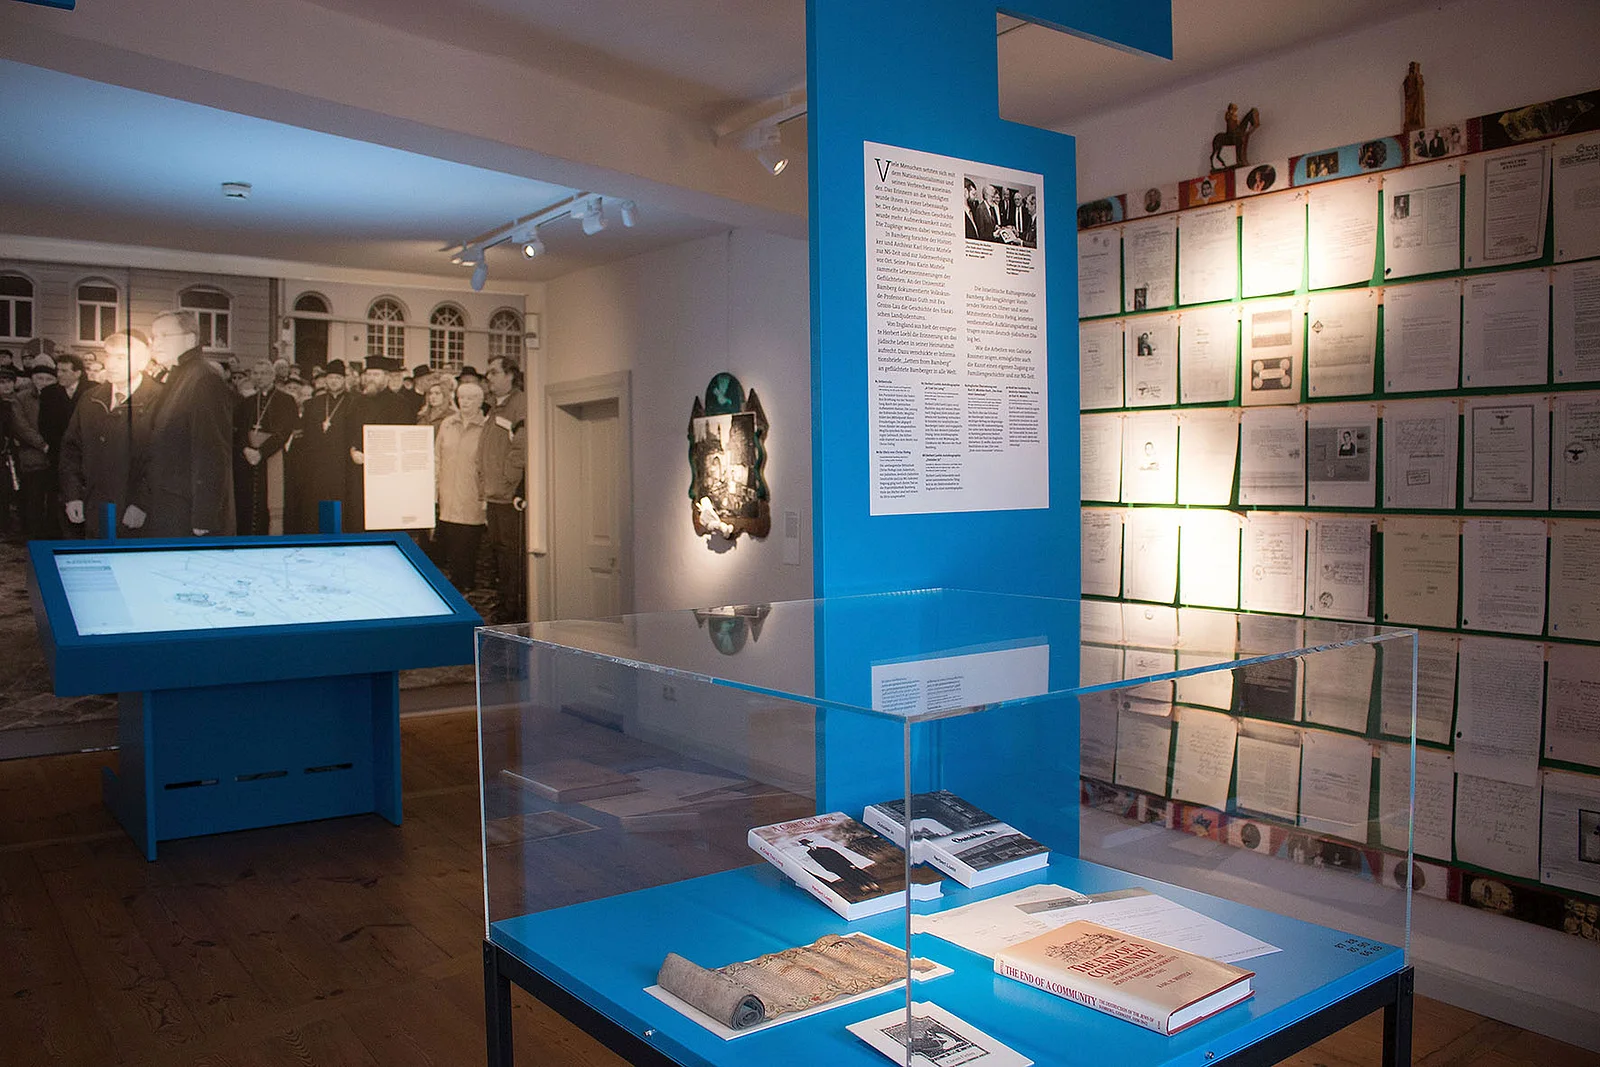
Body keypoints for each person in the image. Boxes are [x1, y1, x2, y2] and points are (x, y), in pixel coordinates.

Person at [125, 309, 236, 537]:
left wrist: (205, 515)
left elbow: (212, 451)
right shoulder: (176, 376)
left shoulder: (204, 378)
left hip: (187, 512)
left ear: (190, 339)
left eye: (165, 336)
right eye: (154, 337)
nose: (156, 343)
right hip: (167, 504)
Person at [58, 330, 163, 538]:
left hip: (137, 512)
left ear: (142, 363)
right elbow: (71, 450)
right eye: (108, 355)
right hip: (94, 508)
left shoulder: (160, 399)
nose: (111, 364)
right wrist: (73, 495)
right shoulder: (91, 399)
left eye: (121, 357)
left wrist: (142, 503)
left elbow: (165, 459)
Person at [478, 356, 527, 623]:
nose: (489, 378)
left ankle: (512, 610)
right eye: (487, 374)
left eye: (494, 373)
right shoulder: (496, 408)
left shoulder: (520, 405)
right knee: (498, 552)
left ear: (510, 375)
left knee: (511, 555)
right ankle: (503, 603)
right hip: (494, 494)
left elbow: (521, 449)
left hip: (507, 497)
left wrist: (508, 482)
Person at [289, 359, 360, 532]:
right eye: (330, 378)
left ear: (344, 380)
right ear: (325, 380)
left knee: (341, 510)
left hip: (343, 468)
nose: (334, 381)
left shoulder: (354, 403)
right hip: (317, 468)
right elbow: (304, 438)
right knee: (316, 510)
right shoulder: (313, 404)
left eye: (337, 378)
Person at [433, 380, 488, 593]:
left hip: (472, 492)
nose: (465, 402)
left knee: (469, 541)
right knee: (451, 540)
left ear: (480, 401)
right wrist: (435, 488)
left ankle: (467, 582)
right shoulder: (447, 423)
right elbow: (437, 457)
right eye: (462, 397)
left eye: (471, 398)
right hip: (448, 492)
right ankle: (456, 581)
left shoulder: (485, 427)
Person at [233, 358, 299, 535]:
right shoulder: (246, 402)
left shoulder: (286, 401)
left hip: (272, 458)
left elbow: (284, 432)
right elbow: (239, 431)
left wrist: (261, 452)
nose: (259, 377)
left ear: (272, 376)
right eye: (255, 373)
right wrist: (246, 449)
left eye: (263, 373)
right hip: (248, 462)